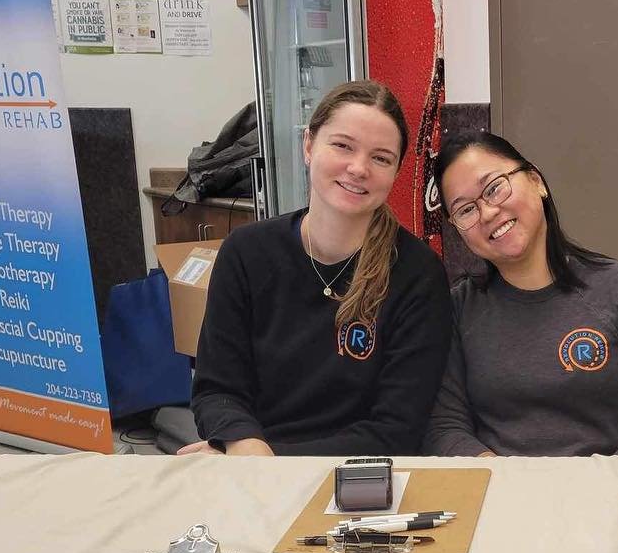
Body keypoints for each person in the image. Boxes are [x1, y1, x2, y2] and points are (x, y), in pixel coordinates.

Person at [184, 81, 451, 456]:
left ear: (394, 172)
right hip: (251, 464)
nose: (358, 168)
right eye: (342, 145)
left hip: (360, 475)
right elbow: (217, 390)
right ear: (309, 145)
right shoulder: (245, 253)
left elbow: (397, 429)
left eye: (381, 157)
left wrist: (266, 458)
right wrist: (243, 444)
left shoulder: (418, 274)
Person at [424, 130, 618, 457]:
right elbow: (443, 425)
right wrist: (504, 478)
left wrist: (605, 479)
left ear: (536, 181)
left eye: (494, 188)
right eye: (466, 210)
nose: (487, 213)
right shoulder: (457, 310)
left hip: (611, 492)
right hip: (505, 494)